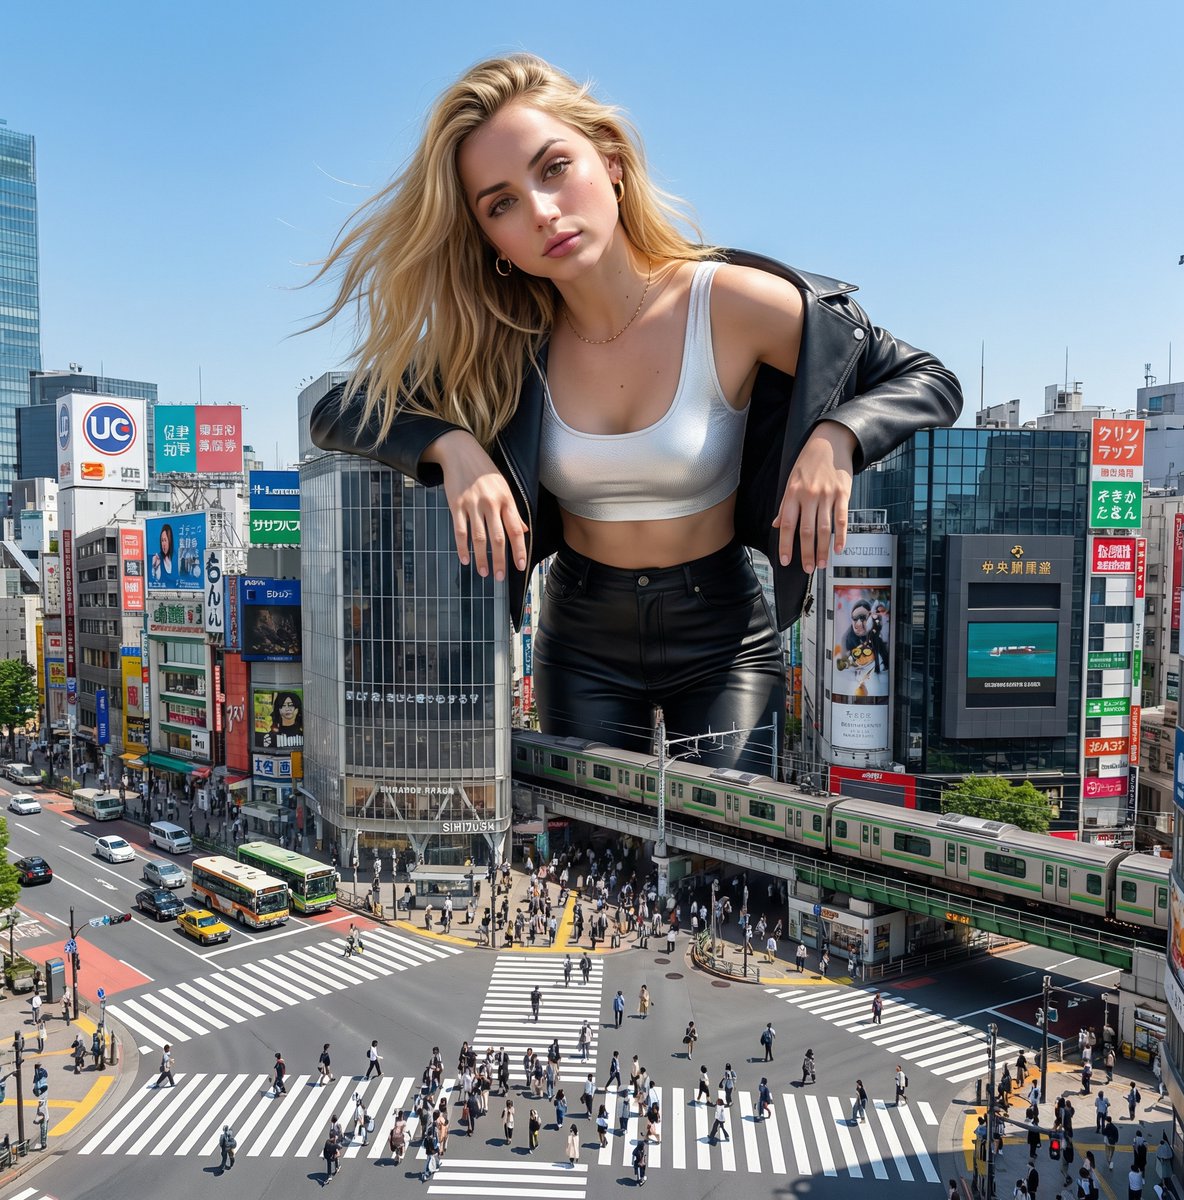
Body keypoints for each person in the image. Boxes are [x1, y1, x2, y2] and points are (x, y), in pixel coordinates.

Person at [309, 54, 962, 774]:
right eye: (501, 204)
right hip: (580, 635)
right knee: (596, 831)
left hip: (723, 635)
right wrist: (452, 446)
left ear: (612, 161)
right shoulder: (503, 345)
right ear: (492, 242)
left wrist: (838, 437)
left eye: (554, 168)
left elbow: (927, 378)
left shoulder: (729, 303)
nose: (542, 211)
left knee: (727, 831)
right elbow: (339, 409)